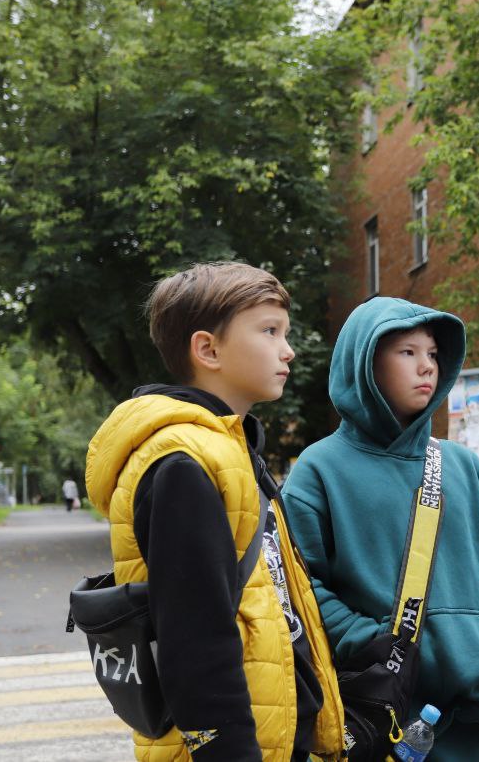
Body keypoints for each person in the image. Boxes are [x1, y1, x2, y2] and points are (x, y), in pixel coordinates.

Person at [83, 262, 344, 762]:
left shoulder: (230, 448)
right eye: (269, 331)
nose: (287, 350)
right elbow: (194, 637)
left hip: (272, 726)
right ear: (208, 349)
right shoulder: (183, 462)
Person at [282, 297, 479, 762]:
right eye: (407, 352)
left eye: (434, 354)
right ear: (366, 363)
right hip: (374, 707)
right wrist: (367, 641)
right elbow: (298, 585)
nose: (426, 367)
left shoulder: (463, 466)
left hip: (467, 707)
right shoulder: (319, 470)